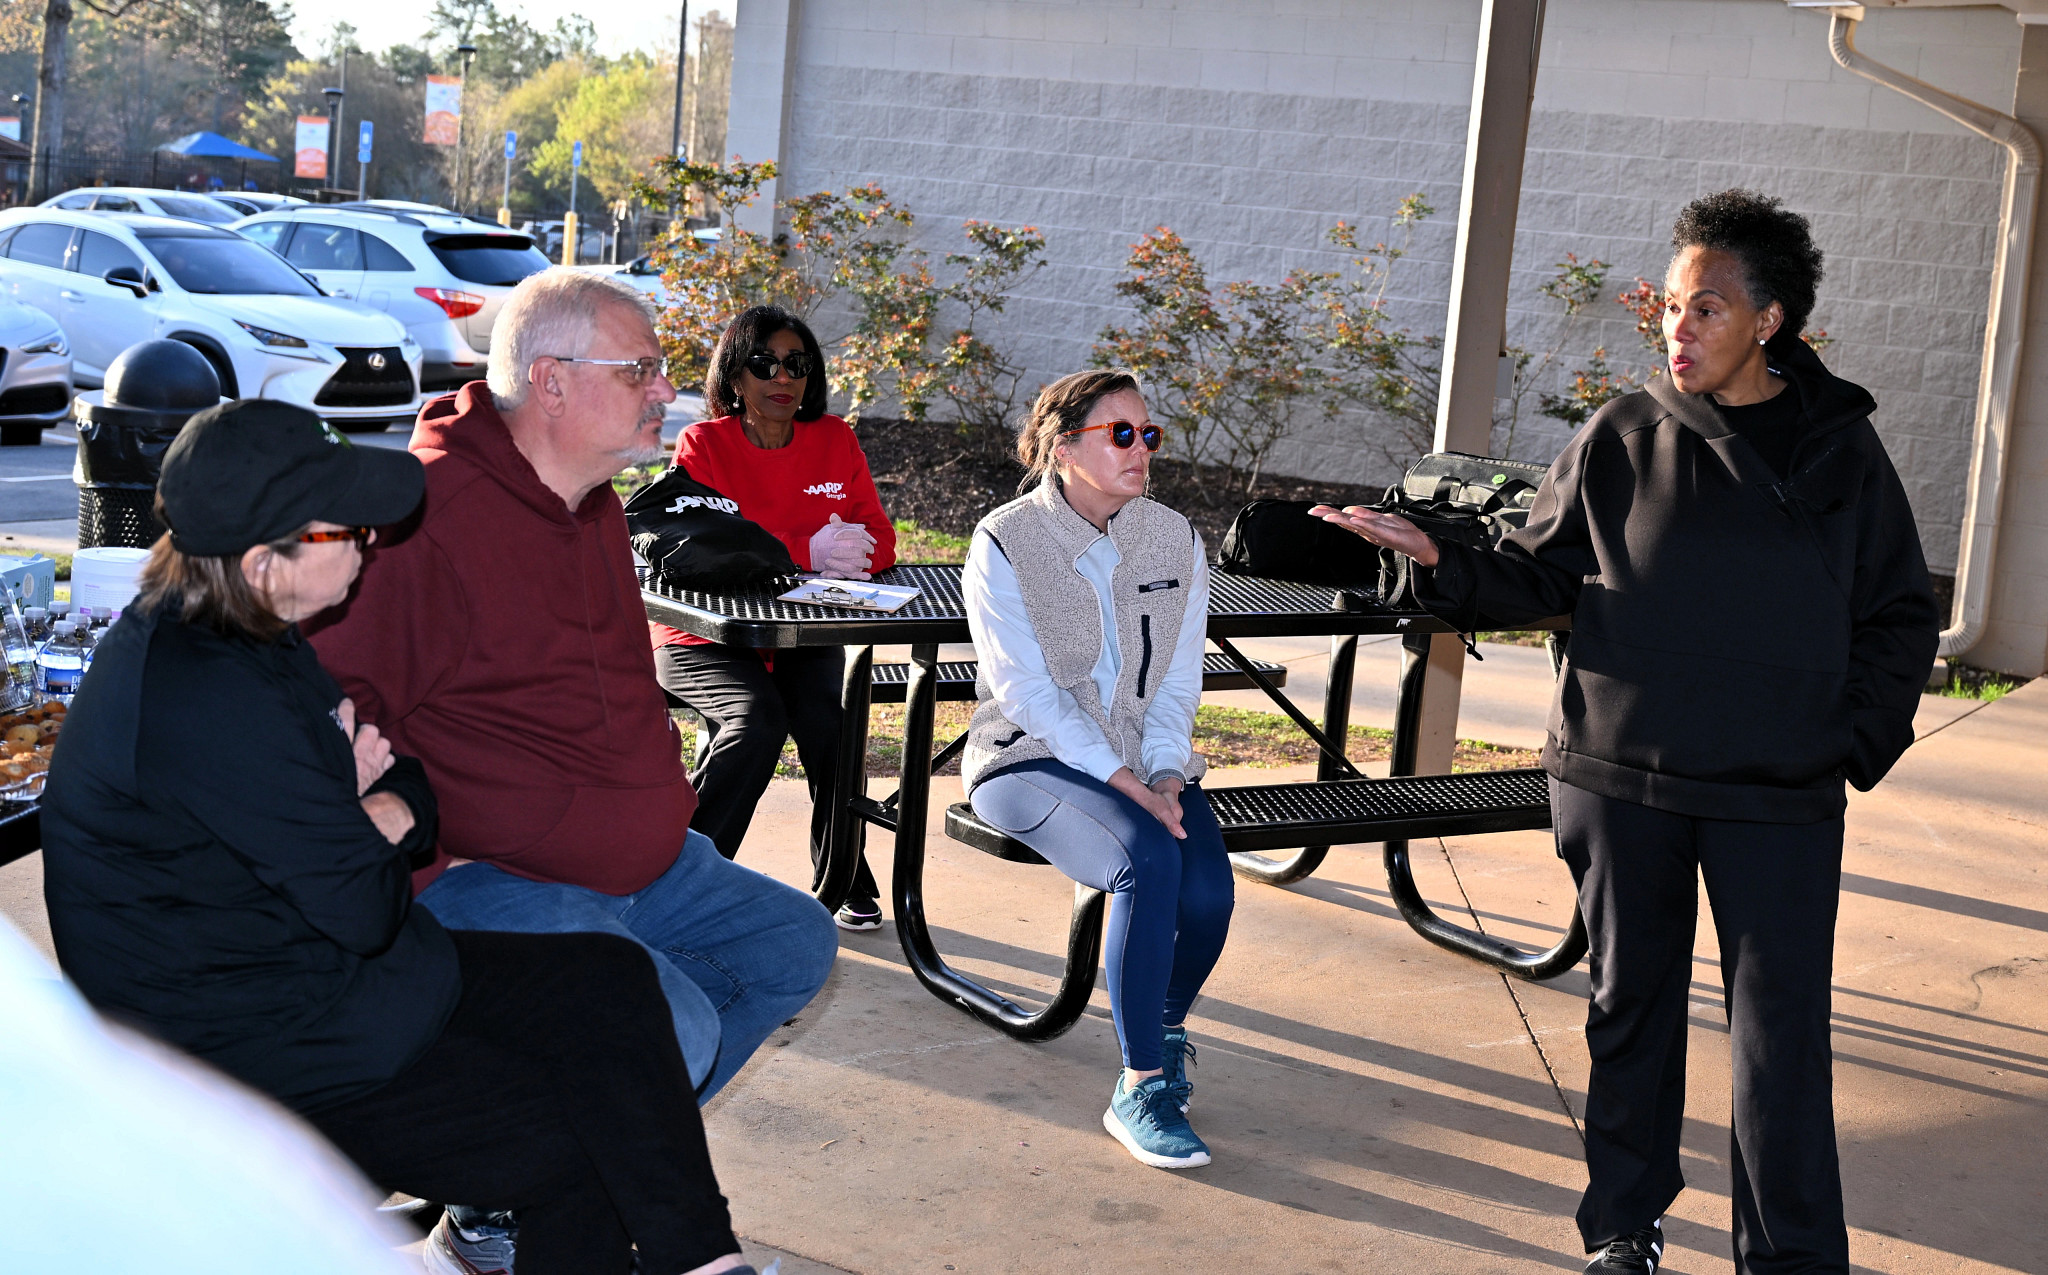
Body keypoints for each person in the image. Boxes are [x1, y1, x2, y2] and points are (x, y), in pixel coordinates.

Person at [1315, 191, 1939, 1274]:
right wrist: (1438, 559)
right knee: (1629, 1011)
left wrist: (1843, 736)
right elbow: (1539, 573)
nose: (1676, 328)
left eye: (1706, 308)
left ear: (1769, 321)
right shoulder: (1622, 433)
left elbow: (1899, 613)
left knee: (1780, 1036)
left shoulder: (1841, 451)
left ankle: (1791, 1258)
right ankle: (1622, 1228)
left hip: (1774, 793)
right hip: (1621, 779)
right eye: (1670, 305)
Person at [39, 399, 756, 1275]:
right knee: (579, 1135)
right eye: (348, 529)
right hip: (248, 1048)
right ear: (264, 560)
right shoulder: (206, 696)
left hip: (319, 975)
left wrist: (377, 809)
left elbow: (404, 778)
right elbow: (369, 901)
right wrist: (378, 812)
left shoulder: (249, 633)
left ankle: (702, 1260)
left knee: (607, 980)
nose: (373, 541)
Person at [304, 270, 838, 1271]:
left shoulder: (592, 504)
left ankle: (533, 1189)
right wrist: (422, 855)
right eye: (639, 369)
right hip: (485, 876)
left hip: (635, 866)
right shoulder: (428, 516)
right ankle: (516, 1208)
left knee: (791, 942)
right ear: (549, 381)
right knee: (669, 1026)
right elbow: (328, 706)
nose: (665, 390)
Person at [961, 369, 1233, 1171]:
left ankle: (1164, 1028)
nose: (1141, 449)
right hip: (1027, 757)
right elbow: (1027, 694)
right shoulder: (1005, 539)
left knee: (1208, 894)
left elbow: (1178, 681)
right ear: (1061, 446)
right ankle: (1141, 1084)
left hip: (1145, 762)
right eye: (1121, 433)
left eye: (1149, 434)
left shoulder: (1175, 538)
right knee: (1146, 859)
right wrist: (1120, 779)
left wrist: (1166, 771)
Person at [651, 305, 897, 931]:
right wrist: (802, 551)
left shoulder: (834, 439)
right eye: (763, 364)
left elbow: (880, 536)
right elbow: (705, 548)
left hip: (801, 630)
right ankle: (681, 884)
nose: (782, 377)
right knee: (756, 721)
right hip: (702, 632)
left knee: (830, 726)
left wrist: (852, 552)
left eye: (796, 364)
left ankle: (843, 871)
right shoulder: (704, 444)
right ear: (735, 376)